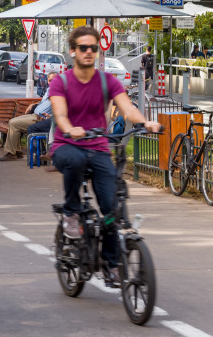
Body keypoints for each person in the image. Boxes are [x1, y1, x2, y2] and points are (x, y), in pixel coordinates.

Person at [49, 26, 161, 286]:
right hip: (67, 146)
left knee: (112, 210)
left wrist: (145, 123)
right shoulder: (61, 82)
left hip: (97, 148)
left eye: (93, 48)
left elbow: (127, 108)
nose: (89, 52)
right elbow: (61, 115)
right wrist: (69, 129)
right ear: (73, 51)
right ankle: (71, 212)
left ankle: (112, 264)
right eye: (83, 48)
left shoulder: (106, 81)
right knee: (75, 161)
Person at [0, 72, 58, 163]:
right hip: (34, 115)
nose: (52, 82)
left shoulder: (58, 92)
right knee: (12, 121)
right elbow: (43, 103)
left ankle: (12, 153)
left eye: (54, 80)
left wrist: (49, 116)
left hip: (41, 119)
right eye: (50, 80)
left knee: (14, 123)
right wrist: (34, 104)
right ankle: (17, 152)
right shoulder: (49, 90)